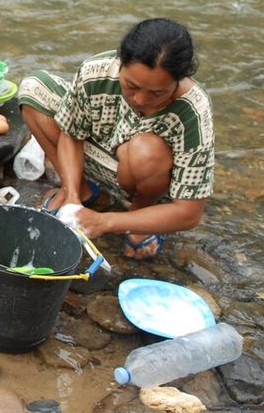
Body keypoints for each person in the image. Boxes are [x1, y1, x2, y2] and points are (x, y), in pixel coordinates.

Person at [18, 18, 214, 259]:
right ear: (120, 63)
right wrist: (71, 197)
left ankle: (140, 213)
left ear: (179, 80)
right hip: (99, 155)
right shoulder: (96, 71)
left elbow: (189, 213)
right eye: (131, 85)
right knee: (33, 88)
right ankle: (77, 189)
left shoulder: (193, 110)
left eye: (157, 93)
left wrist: (106, 222)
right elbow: (71, 131)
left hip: (147, 174)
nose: (140, 100)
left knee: (146, 150)